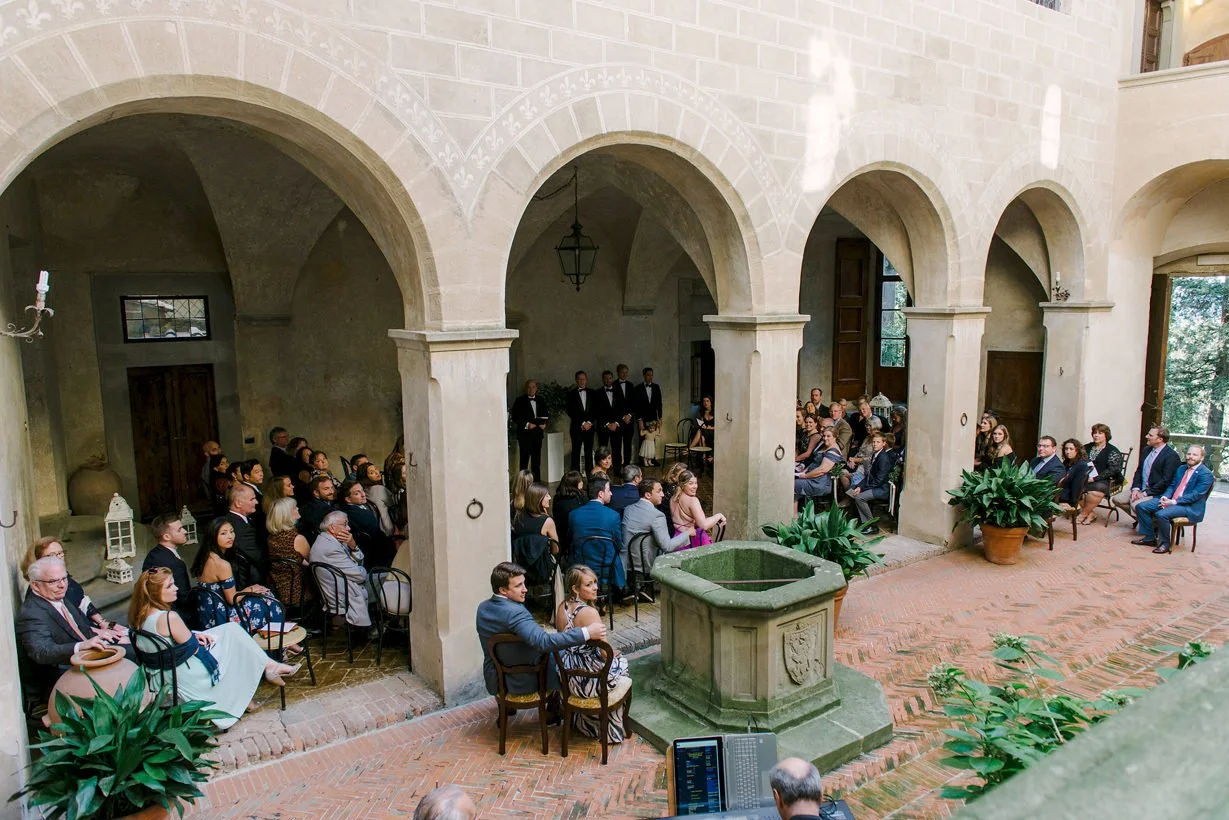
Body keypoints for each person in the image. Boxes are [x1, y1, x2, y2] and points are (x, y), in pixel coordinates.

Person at [129, 567, 299, 729]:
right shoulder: (169, 617)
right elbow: (194, 648)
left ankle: (267, 668)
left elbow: (172, 639)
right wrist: (197, 638)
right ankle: (264, 673)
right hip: (186, 674)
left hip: (162, 673)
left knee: (230, 629)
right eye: (169, 585)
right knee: (235, 648)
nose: (176, 588)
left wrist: (195, 634)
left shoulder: (138, 617)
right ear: (154, 593)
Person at [475, 561, 604, 702]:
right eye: (518, 586)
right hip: (525, 680)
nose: (525, 589)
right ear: (503, 590)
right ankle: (560, 705)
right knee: (564, 654)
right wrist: (586, 632)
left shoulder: (483, 608)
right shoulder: (515, 613)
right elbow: (544, 642)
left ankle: (552, 706)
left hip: (496, 678)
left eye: (524, 583)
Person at [18, 557, 132, 699]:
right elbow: (41, 652)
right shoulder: (32, 613)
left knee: (139, 644)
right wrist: (81, 646)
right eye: (53, 581)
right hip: (67, 673)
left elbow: (81, 629)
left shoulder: (58, 597)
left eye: (64, 578)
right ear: (35, 585)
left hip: (87, 656)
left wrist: (105, 635)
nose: (62, 585)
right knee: (137, 655)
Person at [553, 564, 632, 743]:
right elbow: (605, 653)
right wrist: (616, 655)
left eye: (595, 582)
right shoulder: (589, 612)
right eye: (588, 584)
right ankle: (609, 730)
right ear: (575, 588)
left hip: (567, 674)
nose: (595, 587)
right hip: (587, 681)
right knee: (623, 666)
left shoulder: (561, 606)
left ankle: (585, 723)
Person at [190, 517, 291, 641]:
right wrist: (251, 589)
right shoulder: (221, 564)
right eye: (223, 533)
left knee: (264, 596)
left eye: (231, 531)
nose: (230, 536)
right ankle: (279, 647)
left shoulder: (205, 555)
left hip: (207, 612)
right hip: (221, 616)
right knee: (269, 601)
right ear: (213, 536)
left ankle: (278, 645)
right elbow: (232, 599)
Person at [21, 537, 126, 640]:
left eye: (60, 553)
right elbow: (64, 627)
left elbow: (82, 601)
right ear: (39, 560)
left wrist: (103, 623)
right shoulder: (42, 590)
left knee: (128, 636)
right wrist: (98, 632)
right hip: (77, 639)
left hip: (87, 628)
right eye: (51, 555)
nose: (57, 558)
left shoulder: (64, 578)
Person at [1132, 445, 1214, 554]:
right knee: (1141, 507)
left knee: (1161, 514)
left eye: (1195, 455)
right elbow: (1172, 485)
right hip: (1171, 499)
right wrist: (1165, 496)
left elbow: (1196, 495)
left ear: (1201, 458)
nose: (1190, 457)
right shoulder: (1181, 468)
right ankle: (1149, 538)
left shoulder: (1206, 474)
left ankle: (1165, 543)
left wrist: (1173, 502)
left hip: (1189, 507)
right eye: (1189, 454)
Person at [309, 511, 371, 628]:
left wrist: (353, 546)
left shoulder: (328, 540)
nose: (348, 528)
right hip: (346, 593)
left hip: (346, 587)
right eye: (345, 524)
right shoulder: (330, 548)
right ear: (332, 528)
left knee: (385, 578)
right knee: (389, 582)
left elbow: (358, 563)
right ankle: (386, 625)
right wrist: (362, 569)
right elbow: (360, 575)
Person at [623, 478, 692, 582]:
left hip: (627, 562)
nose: (663, 495)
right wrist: (687, 533)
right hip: (646, 565)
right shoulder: (657, 515)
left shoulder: (628, 509)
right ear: (648, 495)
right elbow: (667, 546)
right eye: (659, 491)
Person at [1113, 425, 1180, 524]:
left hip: (1156, 493)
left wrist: (1145, 494)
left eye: (1150, 435)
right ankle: (1149, 522)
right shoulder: (1146, 450)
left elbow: (1166, 481)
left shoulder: (1171, 456)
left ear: (1160, 439)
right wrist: (1135, 489)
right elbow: (1139, 470)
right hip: (1140, 488)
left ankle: (1149, 524)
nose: (1146, 436)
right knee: (1117, 499)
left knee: (1135, 504)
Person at [568, 477, 626, 589]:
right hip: (606, 565)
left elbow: (571, 540)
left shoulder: (573, 514)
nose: (611, 493)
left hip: (582, 563)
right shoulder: (613, 515)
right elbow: (618, 544)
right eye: (608, 490)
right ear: (600, 494)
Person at [143, 512, 195, 620]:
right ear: (166, 536)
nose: (185, 531)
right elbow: (184, 597)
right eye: (179, 530)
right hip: (175, 616)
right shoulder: (174, 563)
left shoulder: (152, 554)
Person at [265, 496, 313, 606]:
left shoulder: (271, 538)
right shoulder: (297, 539)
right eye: (294, 508)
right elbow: (312, 561)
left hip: (278, 588)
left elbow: (294, 559)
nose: (298, 509)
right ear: (287, 515)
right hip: (298, 591)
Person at [339, 480, 397, 568]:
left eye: (362, 490)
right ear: (348, 499)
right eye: (357, 493)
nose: (363, 495)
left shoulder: (356, 507)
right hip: (375, 558)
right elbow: (377, 537)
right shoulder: (356, 514)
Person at [1076, 423, 1125, 525]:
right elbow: (1078, 461)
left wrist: (1095, 478)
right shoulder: (1086, 447)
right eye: (1094, 433)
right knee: (1072, 485)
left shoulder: (1112, 451)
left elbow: (1113, 470)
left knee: (1096, 490)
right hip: (1086, 477)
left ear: (1106, 435)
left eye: (1100, 433)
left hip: (1106, 479)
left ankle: (1083, 514)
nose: (1096, 435)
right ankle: (1090, 513)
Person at [846, 432, 893, 532]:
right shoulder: (875, 455)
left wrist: (862, 488)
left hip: (881, 489)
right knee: (851, 490)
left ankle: (872, 525)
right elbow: (869, 476)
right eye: (874, 442)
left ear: (884, 443)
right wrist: (858, 486)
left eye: (878, 442)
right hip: (874, 485)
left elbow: (878, 481)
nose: (875, 444)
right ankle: (861, 521)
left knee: (859, 497)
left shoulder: (883, 458)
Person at [671, 470, 725, 548]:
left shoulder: (673, 498)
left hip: (679, 538)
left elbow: (684, 520)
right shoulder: (693, 500)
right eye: (690, 483)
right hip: (693, 539)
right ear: (682, 485)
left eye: (696, 483)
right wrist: (718, 516)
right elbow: (704, 525)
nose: (695, 486)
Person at [794, 427, 843, 513]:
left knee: (790, 484)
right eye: (824, 436)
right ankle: (794, 516)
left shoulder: (833, 451)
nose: (825, 438)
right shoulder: (826, 446)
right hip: (812, 478)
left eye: (828, 436)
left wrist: (804, 475)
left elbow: (822, 470)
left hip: (819, 483)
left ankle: (795, 516)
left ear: (835, 437)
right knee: (793, 482)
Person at [225, 483, 265, 586]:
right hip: (248, 582)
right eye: (252, 499)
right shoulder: (240, 529)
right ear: (238, 503)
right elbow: (258, 557)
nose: (256, 502)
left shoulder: (232, 519)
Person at [510, 379, 548, 476]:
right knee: (524, 462)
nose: (531, 389)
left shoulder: (541, 400)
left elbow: (546, 415)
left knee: (536, 462)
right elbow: (515, 417)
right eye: (529, 387)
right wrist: (527, 424)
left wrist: (545, 424)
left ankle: (537, 486)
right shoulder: (519, 401)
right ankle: (523, 485)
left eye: (533, 387)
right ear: (526, 388)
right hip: (525, 436)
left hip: (537, 435)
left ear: (536, 388)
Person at [595, 370, 630, 472]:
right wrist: (607, 424)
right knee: (603, 451)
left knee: (617, 450)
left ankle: (617, 471)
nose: (608, 380)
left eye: (610, 378)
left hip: (616, 426)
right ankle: (601, 471)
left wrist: (616, 423)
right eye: (605, 378)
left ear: (612, 378)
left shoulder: (618, 392)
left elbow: (622, 410)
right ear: (603, 379)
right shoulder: (598, 393)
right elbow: (597, 412)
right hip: (603, 427)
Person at [566, 370, 597, 473]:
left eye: (583, 379)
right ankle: (575, 478)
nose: (582, 381)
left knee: (589, 453)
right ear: (576, 380)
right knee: (576, 453)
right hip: (576, 428)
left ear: (586, 380)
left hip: (590, 427)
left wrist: (589, 423)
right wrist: (583, 423)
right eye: (579, 379)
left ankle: (590, 477)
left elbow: (595, 410)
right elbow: (571, 411)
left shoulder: (593, 393)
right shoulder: (570, 394)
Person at [552, 471, 588, 558]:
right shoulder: (581, 499)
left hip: (560, 533)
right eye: (580, 481)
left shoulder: (557, 497)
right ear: (575, 484)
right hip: (576, 535)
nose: (582, 482)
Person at [358, 462, 396, 536]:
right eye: (371, 473)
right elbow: (394, 503)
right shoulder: (379, 489)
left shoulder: (363, 490)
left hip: (378, 529)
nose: (376, 473)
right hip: (388, 527)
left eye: (376, 469)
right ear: (365, 477)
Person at [299, 475, 338, 544]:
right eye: (326, 489)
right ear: (316, 493)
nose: (331, 491)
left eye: (332, 487)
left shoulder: (307, 505)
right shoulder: (325, 510)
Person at [613, 364, 637, 470]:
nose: (625, 374)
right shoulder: (612, 385)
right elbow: (612, 405)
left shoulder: (631, 385)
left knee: (628, 445)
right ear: (618, 373)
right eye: (623, 372)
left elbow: (634, 403)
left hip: (629, 421)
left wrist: (629, 415)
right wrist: (622, 417)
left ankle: (627, 467)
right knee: (617, 446)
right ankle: (617, 468)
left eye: (626, 372)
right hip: (618, 421)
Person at [1056, 439, 1091, 509]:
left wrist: (1072, 504)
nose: (1068, 452)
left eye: (1071, 449)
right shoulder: (1067, 462)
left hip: (1067, 497)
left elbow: (1077, 486)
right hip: (1060, 491)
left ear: (1077, 450)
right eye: (1066, 449)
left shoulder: (1081, 465)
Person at [633, 367, 663, 442]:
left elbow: (659, 404)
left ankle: (652, 454)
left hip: (653, 418)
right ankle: (642, 454)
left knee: (652, 440)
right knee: (642, 440)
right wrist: (639, 420)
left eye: (652, 375)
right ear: (644, 375)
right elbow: (636, 406)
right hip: (642, 418)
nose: (650, 377)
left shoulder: (656, 387)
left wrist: (660, 418)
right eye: (648, 375)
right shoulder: (638, 388)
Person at [689, 396, 716, 463]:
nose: (705, 403)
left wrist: (710, 427)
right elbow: (701, 424)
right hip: (705, 432)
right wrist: (702, 425)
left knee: (700, 432)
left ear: (711, 402)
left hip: (714, 432)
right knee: (702, 437)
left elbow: (720, 426)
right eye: (704, 401)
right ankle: (705, 457)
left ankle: (690, 448)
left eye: (707, 401)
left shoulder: (715, 412)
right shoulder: (702, 412)